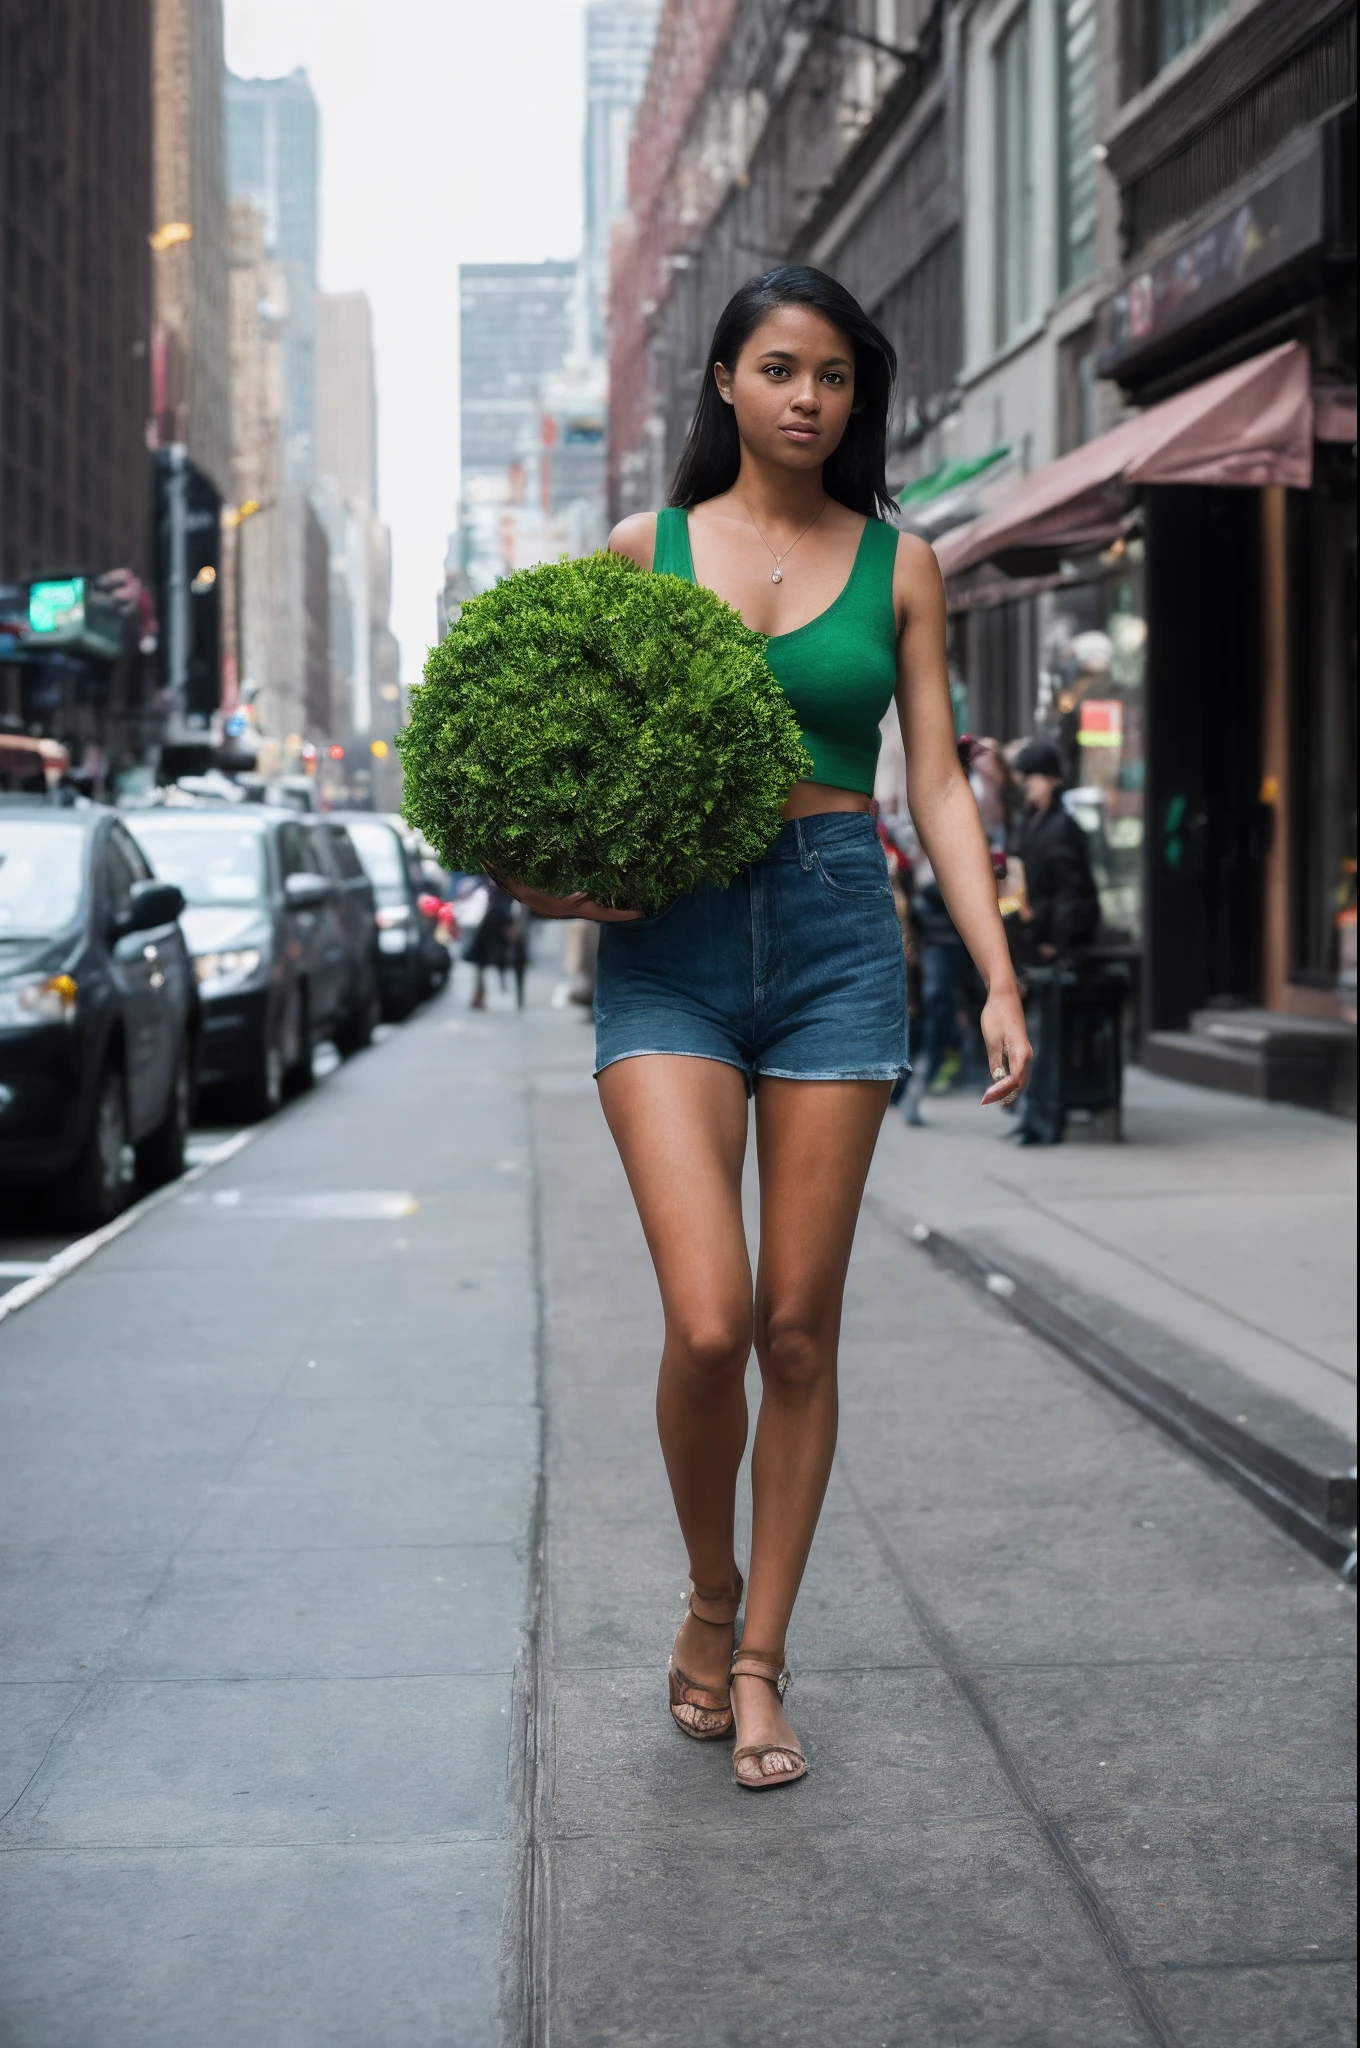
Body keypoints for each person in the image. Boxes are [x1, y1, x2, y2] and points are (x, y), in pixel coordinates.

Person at [497, 267, 1031, 1789]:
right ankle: (705, 1586)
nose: (811, 398)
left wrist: (993, 970)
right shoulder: (640, 551)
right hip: (668, 940)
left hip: (836, 937)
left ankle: (760, 1655)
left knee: (798, 1331)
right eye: (782, 369)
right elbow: (560, 757)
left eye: (838, 378)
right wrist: (534, 869)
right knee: (711, 1319)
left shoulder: (903, 563)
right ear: (724, 383)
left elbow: (934, 786)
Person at [1011, 739, 1100, 1144]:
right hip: (1035, 941)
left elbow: (1073, 892)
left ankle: (1044, 1120)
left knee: (1048, 1038)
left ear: (1053, 780)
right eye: (1025, 777)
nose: (1028, 785)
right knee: (1034, 1034)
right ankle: (1033, 1116)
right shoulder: (1032, 822)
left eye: (1034, 777)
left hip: (1055, 948)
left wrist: (1059, 941)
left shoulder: (1062, 827)